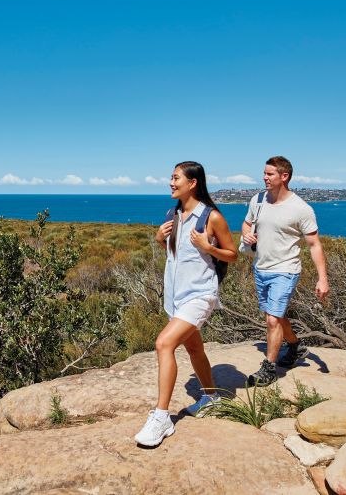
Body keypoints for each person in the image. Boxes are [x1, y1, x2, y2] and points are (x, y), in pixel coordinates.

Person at [134, 161, 238, 447]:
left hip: (200, 295)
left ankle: (161, 418)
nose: (170, 182)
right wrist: (159, 238)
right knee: (194, 347)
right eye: (171, 177)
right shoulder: (174, 213)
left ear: (192, 183)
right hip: (176, 296)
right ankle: (212, 396)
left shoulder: (211, 217)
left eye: (175, 177)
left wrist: (209, 248)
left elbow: (232, 254)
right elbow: (177, 254)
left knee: (164, 344)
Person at [240, 156, 329, 387]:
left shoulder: (301, 209)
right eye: (265, 173)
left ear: (284, 176)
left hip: (286, 269)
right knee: (275, 316)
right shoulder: (257, 200)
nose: (264, 177)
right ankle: (295, 347)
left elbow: (314, 244)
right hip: (260, 267)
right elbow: (247, 223)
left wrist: (322, 278)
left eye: (269, 174)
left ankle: (269, 369)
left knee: (272, 319)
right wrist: (247, 234)